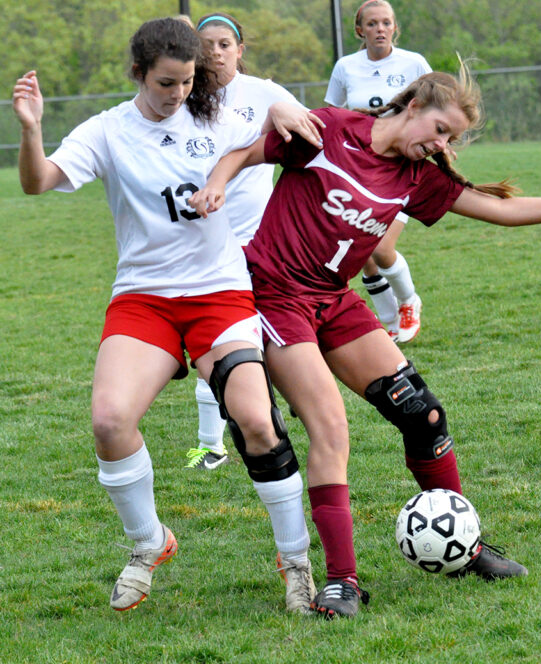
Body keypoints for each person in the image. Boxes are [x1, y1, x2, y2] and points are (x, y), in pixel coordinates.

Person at [189, 64, 541, 619]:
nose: (441, 144)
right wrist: (216, 183)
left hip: (334, 296)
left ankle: (464, 546)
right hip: (276, 296)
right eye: (439, 129)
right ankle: (342, 581)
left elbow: (498, 210)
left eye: (450, 138)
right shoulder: (331, 130)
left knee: (423, 414)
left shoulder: (416, 175)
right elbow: (244, 152)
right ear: (412, 107)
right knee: (330, 426)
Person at [11, 17, 323, 615]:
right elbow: (38, 181)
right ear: (138, 73)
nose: (177, 94)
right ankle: (148, 543)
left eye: (185, 83)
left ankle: (296, 562)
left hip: (220, 295)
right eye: (164, 84)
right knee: (109, 421)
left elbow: (287, 136)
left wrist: (282, 112)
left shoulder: (217, 117)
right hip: (144, 299)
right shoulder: (106, 131)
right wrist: (32, 131)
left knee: (257, 423)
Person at [184, 12, 308, 483]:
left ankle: (273, 406)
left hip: (258, 245)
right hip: (198, 244)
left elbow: (313, 133)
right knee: (208, 350)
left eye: (223, 43)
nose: (214, 51)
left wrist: (282, 113)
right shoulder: (181, 95)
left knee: (256, 339)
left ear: (240, 49)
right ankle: (212, 445)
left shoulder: (265, 93)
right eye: (205, 44)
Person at [325, 0, 431, 344]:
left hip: (401, 168)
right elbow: (333, 113)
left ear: (395, 28)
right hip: (357, 167)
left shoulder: (413, 63)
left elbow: (439, 105)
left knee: (381, 248)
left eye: (386, 22)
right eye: (372, 24)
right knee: (359, 249)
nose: (380, 29)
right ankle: (387, 320)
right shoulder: (346, 67)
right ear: (360, 31)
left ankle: (408, 301)